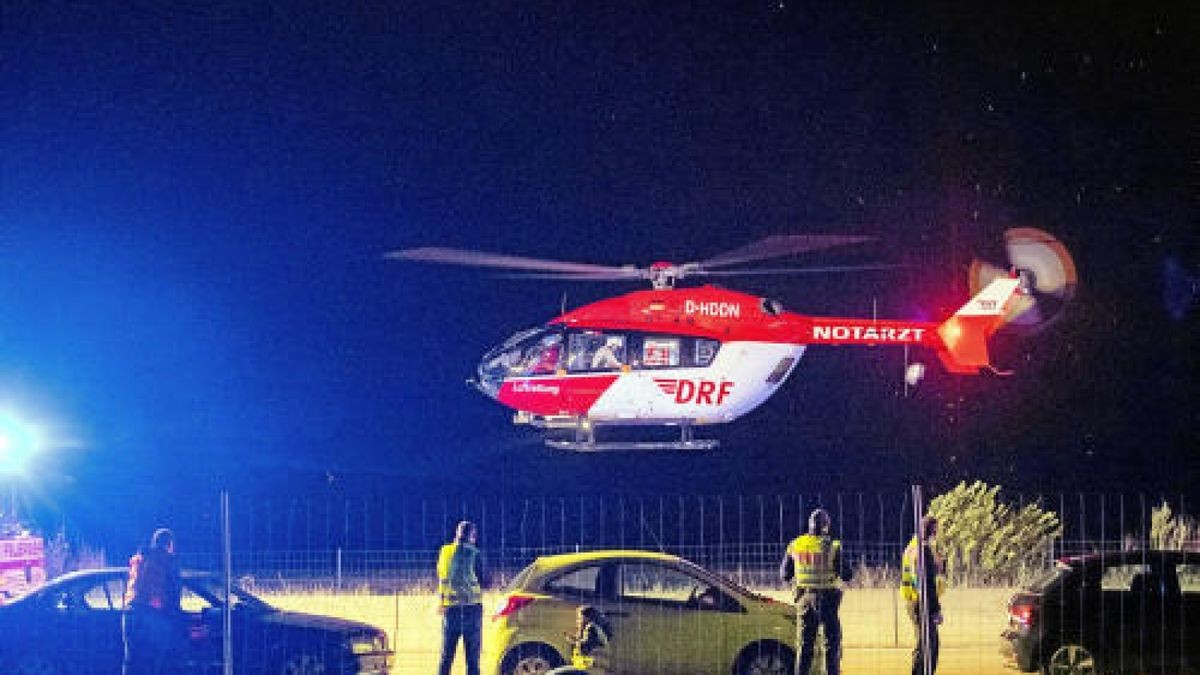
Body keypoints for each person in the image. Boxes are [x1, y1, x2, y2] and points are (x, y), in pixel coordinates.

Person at [781, 508, 845, 675]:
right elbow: (847, 574)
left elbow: (784, 575)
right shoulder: (833, 545)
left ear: (809, 525)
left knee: (804, 645)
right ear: (826, 526)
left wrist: (799, 582)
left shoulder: (795, 544)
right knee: (831, 645)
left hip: (805, 600)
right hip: (828, 600)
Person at [122, 527, 183, 675]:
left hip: (130, 613)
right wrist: (177, 616)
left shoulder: (140, 559)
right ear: (169, 544)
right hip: (153, 615)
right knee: (153, 662)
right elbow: (174, 590)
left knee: (131, 660)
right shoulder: (168, 560)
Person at [437, 520, 487, 675]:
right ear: (472, 535)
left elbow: (441, 576)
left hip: (449, 610)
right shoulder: (474, 553)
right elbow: (485, 580)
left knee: (446, 658)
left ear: (457, 534)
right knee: (472, 660)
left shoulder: (444, 551)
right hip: (471, 610)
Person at [901, 515, 943, 675]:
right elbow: (927, 583)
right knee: (927, 646)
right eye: (935, 530)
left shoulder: (911, 547)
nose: (936, 535)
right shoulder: (923, 550)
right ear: (931, 531)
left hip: (913, 599)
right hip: (922, 602)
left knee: (927, 643)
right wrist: (936, 609)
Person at [547, 605, 611, 674]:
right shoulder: (594, 628)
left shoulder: (590, 628)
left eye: (579, 618)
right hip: (591, 666)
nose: (578, 621)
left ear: (586, 617)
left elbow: (585, 647)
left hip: (589, 666)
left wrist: (572, 641)